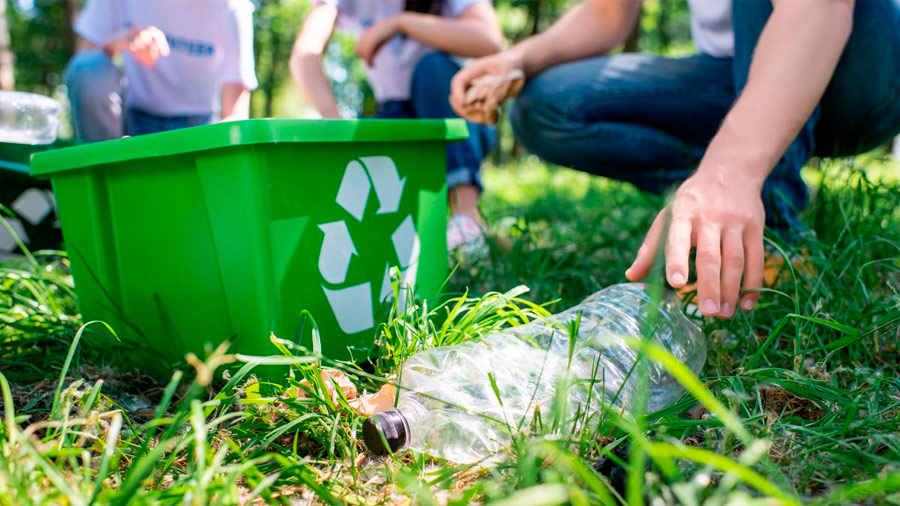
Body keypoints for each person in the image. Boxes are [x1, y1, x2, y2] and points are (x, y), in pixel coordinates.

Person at [450, 0, 900, 318]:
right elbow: (607, 14)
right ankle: (722, 205)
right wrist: (517, 58)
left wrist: (732, 170)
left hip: (859, 66)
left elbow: (817, 8)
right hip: (728, 75)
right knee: (546, 106)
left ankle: (773, 230)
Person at [289, 0, 503, 253]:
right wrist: (332, 118)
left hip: (458, 115)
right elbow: (304, 55)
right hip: (394, 115)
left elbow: (490, 39)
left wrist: (399, 23)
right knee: (355, 147)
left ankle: (467, 221)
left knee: (432, 67)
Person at [65, 0, 259, 142]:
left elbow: (234, 117)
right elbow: (84, 68)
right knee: (88, 67)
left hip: (198, 128)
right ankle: (103, 168)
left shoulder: (233, 7)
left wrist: (209, 145)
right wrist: (118, 43)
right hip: (128, 119)